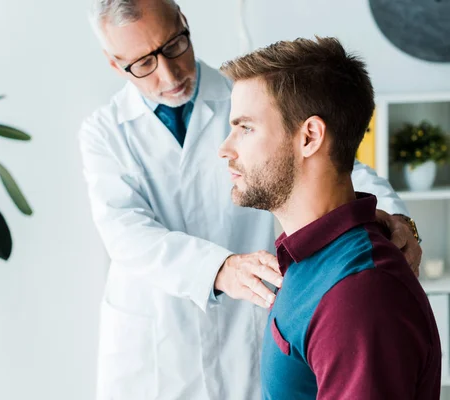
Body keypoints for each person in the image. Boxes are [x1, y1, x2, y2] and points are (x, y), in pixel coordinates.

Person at [79, 1, 423, 398]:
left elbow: (335, 160)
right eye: (143, 64)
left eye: (174, 45)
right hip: (158, 339)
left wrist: (396, 218)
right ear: (113, 63)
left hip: (253, 322)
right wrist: (218, 268)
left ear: (184, 23)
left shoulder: (247, 95)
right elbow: (124, 231)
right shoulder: (104, 133)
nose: (168, 73)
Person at [219, 36, 441, 399]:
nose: (224, 149)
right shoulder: (307, 261)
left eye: (245, 128)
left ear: (309, 137)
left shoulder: (358, 295)